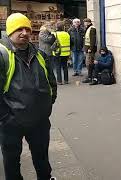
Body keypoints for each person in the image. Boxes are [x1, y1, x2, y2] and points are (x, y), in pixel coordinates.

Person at [0, 13, 57, 180]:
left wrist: (47, 106)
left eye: (27, 28)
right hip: (11, 123)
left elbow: (51, 83)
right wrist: (6, 117)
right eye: (19, 29)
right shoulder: (2, 56)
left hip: (39, 121)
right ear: (9, 31)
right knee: (12, 162)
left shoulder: (40, 54)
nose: (24, 32)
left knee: (42, 159)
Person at [82, 18, 97, 83]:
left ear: (88, 22)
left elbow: (92, 39)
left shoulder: (92, 28)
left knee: (89, 63)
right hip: (87, 49)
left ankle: (90, 76)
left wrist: (90, 48)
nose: (84, 23)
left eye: (85, 22)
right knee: (88, 63)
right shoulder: (88, 28)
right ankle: (90, 76)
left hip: (90, 49)